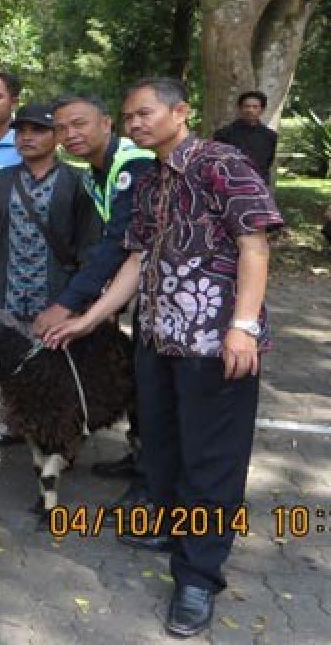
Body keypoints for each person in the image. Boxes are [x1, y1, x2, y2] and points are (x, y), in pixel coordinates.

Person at [45, 77, 283, 639]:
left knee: (211, 462)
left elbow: (255, 243)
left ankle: (198, 576)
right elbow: (135, 261)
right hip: (156, 339)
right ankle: (177, 530)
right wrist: (89, 317)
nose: (135, 125)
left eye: (145, 114)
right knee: (165, 446)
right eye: (129, 117)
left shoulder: (222, 164)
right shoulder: (150, 180)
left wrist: (243, 328)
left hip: (214, 344)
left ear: (181, 111)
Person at [36, 93, 156, 481]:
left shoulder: (132, 164)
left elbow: (118, 240)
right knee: (140, 367)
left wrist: (70, 302)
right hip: (138, 282)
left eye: (79, 124)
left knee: (152, 378)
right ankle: (141, 454)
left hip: (170, 293)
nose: (69, 134)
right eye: (61, 127)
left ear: (107, 124)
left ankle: (152, 475)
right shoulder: (95, 170)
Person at [0, 103, 101, 320]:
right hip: (3, 294)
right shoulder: (0, 180)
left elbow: (89, 244)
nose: (27, 137)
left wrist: (84, 297)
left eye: (37, 131)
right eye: (21, 131)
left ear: (56, 136)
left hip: (57, 295)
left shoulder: (78, 182)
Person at [213, 91, 277, 181]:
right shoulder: (223, 134)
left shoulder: (270, 136)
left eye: (255, 107)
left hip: (259, 184)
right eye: (246, 106)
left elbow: (268, 162)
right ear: (240, 108)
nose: (250, 110)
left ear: (262, 110)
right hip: (230, 183)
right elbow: (217, 161)